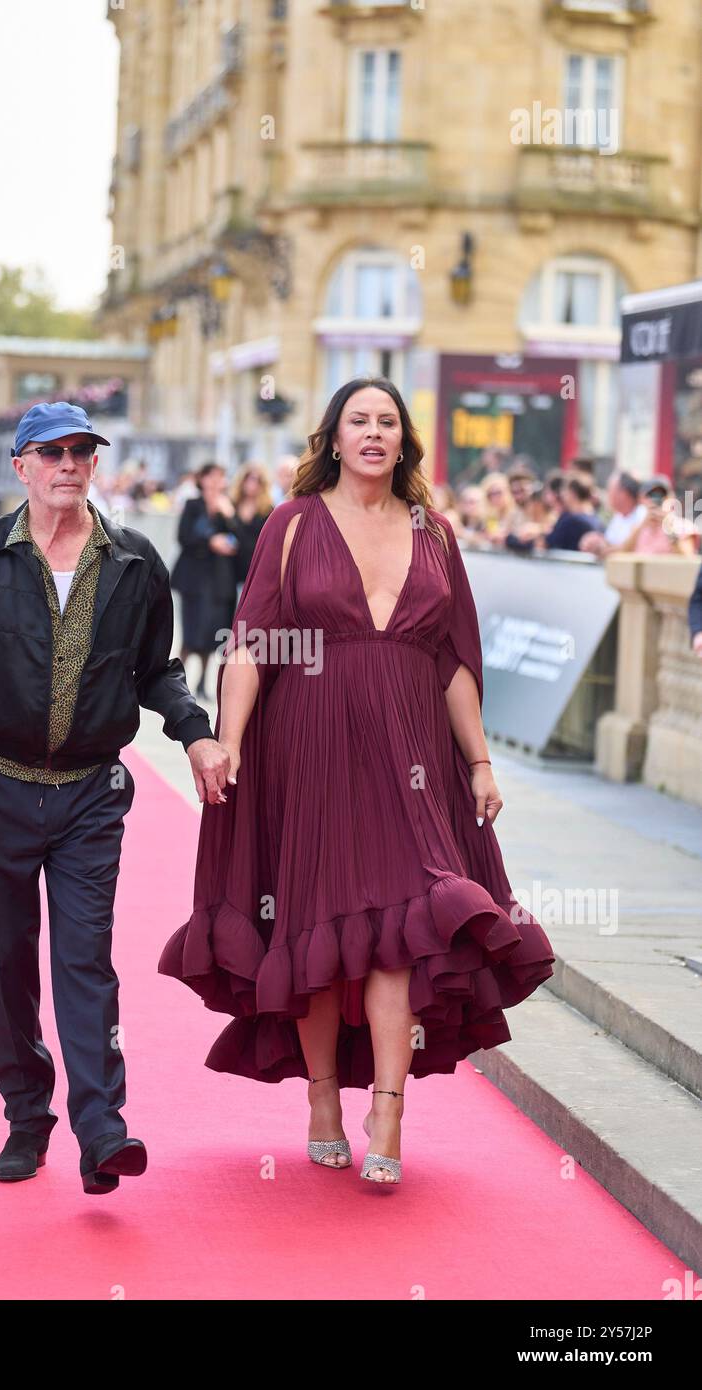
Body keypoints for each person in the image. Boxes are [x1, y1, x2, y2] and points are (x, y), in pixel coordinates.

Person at [158, 378, 555, 1189]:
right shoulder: (293, 525)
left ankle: (389, 1109)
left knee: (407, 927)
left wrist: (479, 760)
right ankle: (322, 1102)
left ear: (404, 440)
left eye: (387, 422)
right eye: (357, 421)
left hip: (411, 754)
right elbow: (251, 643)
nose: (373, 433)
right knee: (318, 928)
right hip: (309, 748)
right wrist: (228, 740)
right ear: (332, 439)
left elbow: (453, 664)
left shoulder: (434, 533)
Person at [0, 401, 228, 1195]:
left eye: (82, 452)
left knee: (85, 957)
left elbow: (156, 668)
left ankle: (103, 1129)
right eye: (51, 452)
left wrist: (194, 732)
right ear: (20, 466)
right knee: (3, 965)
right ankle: (28, 1116)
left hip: (93, 793)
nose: (68, 465)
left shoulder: (134, 561)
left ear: (95, 465)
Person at [170, 463, 241, 699]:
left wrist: (229, 515)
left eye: (220, 477)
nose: (215, 482)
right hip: (194, 577)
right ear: (202, 479)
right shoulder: (193, 505)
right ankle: (176, 681)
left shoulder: (228, 506)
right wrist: (210, 542)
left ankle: (201, 683)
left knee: (212, 633)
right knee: (191, 631)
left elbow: (240, 540)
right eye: (211, 477)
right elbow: (183, 536)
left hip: (218, 579)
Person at [617, 475, 698, 557]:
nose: (655, 500)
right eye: (651, 496)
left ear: (671, 497)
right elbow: (622, 555)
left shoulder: (683, 527)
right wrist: (642, 525)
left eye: (661, 495)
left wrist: (668, 528)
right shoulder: (637, 528)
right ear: (641, 499)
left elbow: (688, 558)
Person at [579, 470, 646, 558]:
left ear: (624, 493)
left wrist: (603, 549)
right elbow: (610, 544)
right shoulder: (618, 516)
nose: (608, 494)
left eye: (610, 490)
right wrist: (596, 542)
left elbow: (627, 550)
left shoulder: (643, 517)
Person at [228, 461, 274, 585]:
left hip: (254, 569)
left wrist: (232, 518)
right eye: (248, 478)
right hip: (230, 568)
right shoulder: (231, 504)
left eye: (257, 480)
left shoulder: (268, 510)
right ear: (242, 481)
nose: (252, 484)